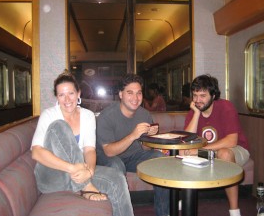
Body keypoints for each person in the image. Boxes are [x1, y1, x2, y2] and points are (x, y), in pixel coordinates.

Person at [31, 71, 134, 216]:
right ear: (57, 97)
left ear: (78, 93)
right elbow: (36, 152)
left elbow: (89, 151)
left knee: (117, 177)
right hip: (51, 176)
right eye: (61, 95)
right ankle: (86, 187)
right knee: (59, 126)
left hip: (77, 173)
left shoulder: (88, 116)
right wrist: (73, 168)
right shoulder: (49, 115)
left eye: (71, 93)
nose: (67, 99)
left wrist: (89, 171)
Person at [96, 73, 170, 216]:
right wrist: (133, 135)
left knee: (160, 159)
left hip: (133, 156)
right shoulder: (107, 116)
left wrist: (150, 137)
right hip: (107, 157)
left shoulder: (144, 115)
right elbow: (109, 152)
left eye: (139, 93)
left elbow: (146, 148)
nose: (135, 98)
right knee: (117, 165)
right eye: (130, 93)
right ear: (121, 94)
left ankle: (163, 213)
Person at [180, 74, 249, 216]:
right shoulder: (193, 112)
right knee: (182, 152)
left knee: (224, 153)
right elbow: (187, 140)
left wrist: (200, 150)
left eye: (203, 96)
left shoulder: (226, 107)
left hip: (236, 149)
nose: (198, 100)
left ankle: (235, 210)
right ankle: (186, 197)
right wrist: (197, 114)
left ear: (213, 95)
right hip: (210, 151)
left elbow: (232, 141)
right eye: (195, 95)